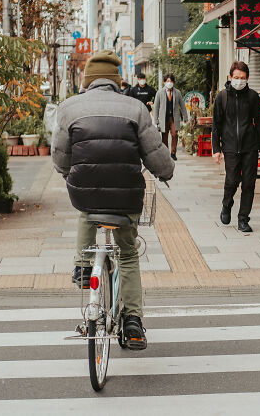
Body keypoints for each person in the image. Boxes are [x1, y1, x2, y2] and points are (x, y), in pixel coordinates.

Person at [52, 50, 174, 350]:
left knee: (86, 209)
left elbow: (59, 157)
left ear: (88, 80)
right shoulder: (135, 108)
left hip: (84, 191)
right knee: (128, 254)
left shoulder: (68, 108)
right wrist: (166, 171)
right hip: (126, 196)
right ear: (117, 81)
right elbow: (156, 155)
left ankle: (83, 266)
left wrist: (70, 172)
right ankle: (133, 322)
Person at [211, 61, 260, 233]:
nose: (239, 81)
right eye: (236, 77)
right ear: (230, 77)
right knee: (232, 181)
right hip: (229, 146)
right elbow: (216, 125)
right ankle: (226, 204)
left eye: (242, 78)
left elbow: (259, 123)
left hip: (249, 146)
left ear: (247, 78)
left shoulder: (252, 96)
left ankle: (243, 219)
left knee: (249, 184)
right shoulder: (222, 97)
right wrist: (216, 149)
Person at [153, 73, 189, 161]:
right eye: (167, 81)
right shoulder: (160, 92)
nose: (169, 83)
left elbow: (182, 105)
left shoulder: (177, 92)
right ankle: (165, 154)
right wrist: (156, 120)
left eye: (171, 81)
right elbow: (156, 106)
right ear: (164, 82)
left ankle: (173, 153)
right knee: (164, 136)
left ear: (173, 82)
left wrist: (185, 117)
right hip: (163, 118)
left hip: (173, 118)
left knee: (174, 134)